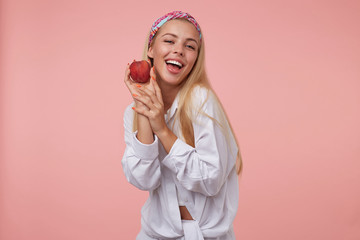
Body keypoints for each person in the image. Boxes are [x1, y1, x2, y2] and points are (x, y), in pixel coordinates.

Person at [122, 11, 243, 240]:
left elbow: (210, 180)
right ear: (151, 49)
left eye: (190, 46)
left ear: (196, 58)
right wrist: (144, 106)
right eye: (169, 40)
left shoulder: (201, 100)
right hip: (153, 234)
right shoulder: (133, 113)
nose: (178, 50)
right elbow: (143, 179)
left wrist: (163, 130)